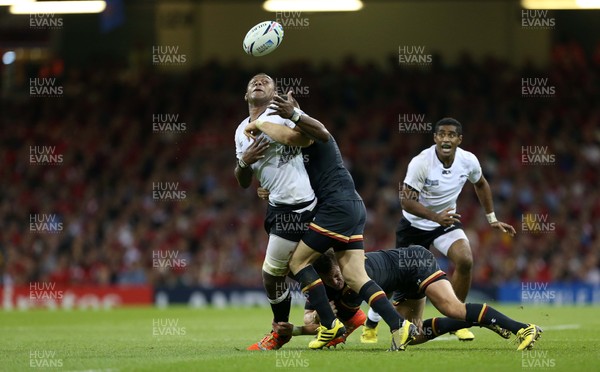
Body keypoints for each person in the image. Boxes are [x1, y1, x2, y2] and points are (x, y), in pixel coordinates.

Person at [244, 93, 417, 351]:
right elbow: (294, 179)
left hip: (337, 207)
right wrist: (268, 188)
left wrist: (258, 123)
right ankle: (400, 326)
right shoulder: (302, 149)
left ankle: (330, 324)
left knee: (297, 261)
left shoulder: (312, 133)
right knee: (356, 277)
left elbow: (295, 134)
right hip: (353, 207)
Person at [362, 117, 517, 343]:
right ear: (435, 138)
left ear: (459, 139)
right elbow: (406, 202)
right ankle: (371, 321)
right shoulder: (421, 162)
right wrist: (436, 216)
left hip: (445, 224)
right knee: (397, 289)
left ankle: (458, 321)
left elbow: (481, 183)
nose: (446, 138)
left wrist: (492, 218)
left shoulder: (468, 160)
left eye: (451, 134)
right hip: (414, 227)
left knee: (465, 259)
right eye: (441, 134)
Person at [292, 247, 542, 351]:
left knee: (452, 308)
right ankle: (481, 320)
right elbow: (332, 326)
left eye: (337, 275)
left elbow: (342, 325)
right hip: (401, 281)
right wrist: (309, 322)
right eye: (330, 280)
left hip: (416, 263)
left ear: (339, 265)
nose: (337, 281)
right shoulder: (326, 289)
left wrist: (329, 318)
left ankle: (523, 329)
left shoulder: (354, 273)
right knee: (415, 335)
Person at [234, 73, 318, 351]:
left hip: (300, 206)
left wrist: (292, 114)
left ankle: (281, 331)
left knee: (273, 274)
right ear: (246, 96)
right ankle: (345, 315)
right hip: (277, 207)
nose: (258, 83)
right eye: (253, 82)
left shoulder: (283, 111)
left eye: (266, 82)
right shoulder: (240, 132)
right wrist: (244, 164)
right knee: (315, 268)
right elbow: (244, 181)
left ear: (274, 93)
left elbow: (309, 138)